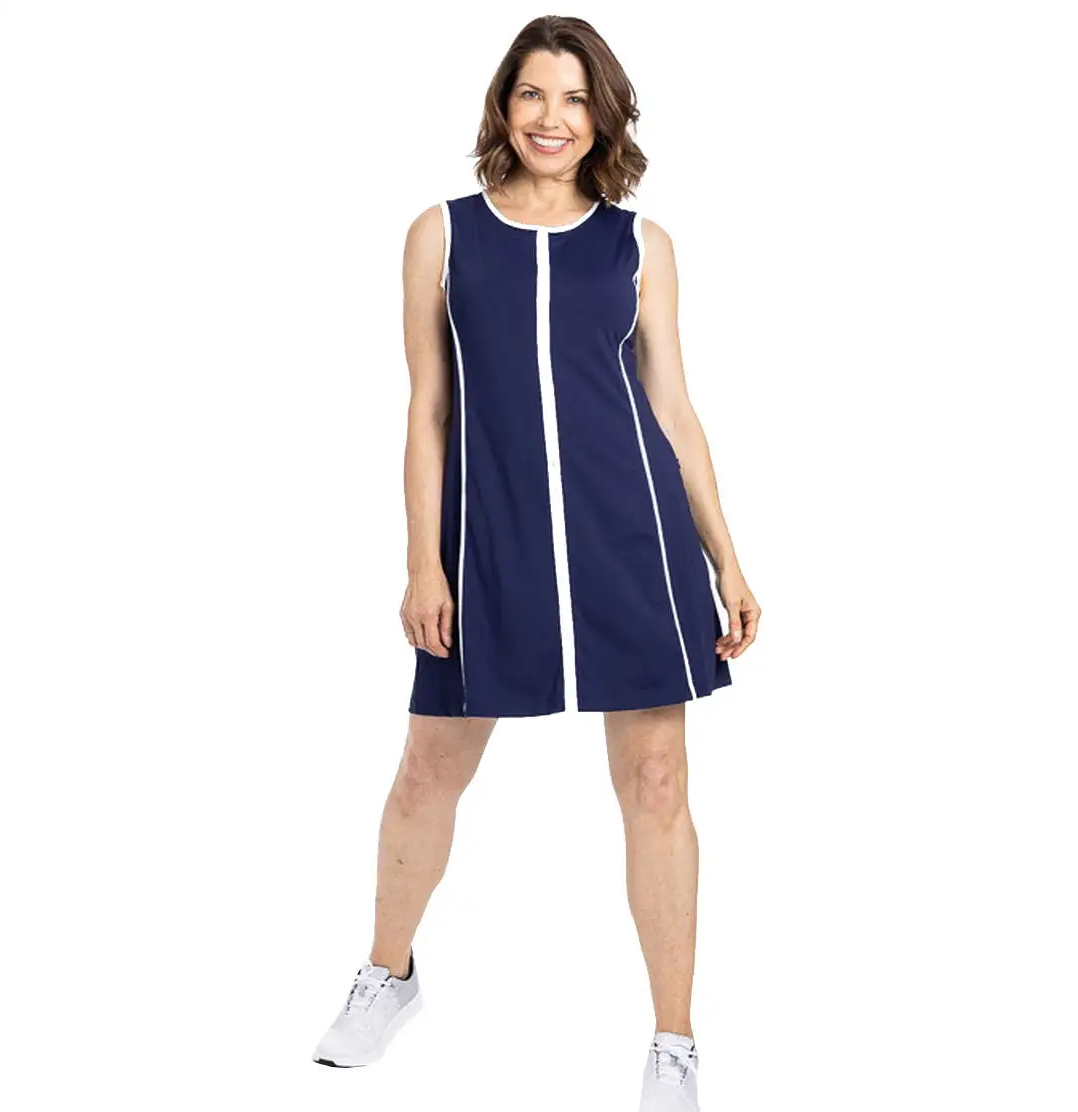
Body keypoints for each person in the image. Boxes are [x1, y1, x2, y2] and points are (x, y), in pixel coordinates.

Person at [312, 15, 760, 1110]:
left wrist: (727, 559)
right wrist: (423, 561)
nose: (550, 118)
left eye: (573, 98)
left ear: (602, 115)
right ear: (502, 106)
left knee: (658, 781)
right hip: (490, 537)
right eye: (530, 94)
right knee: (430, 768)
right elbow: (427, 410)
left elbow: (673, 408)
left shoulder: (642, 246)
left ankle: (674, 1042)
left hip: (632, 536)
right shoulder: (442, 234)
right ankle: (387, 973)